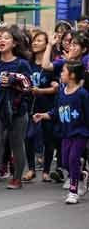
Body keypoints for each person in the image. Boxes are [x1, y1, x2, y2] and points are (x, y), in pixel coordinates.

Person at [0, 26, 32, 191]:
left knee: (16, 144)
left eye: (6, 38)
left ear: (15, 43)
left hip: (17, 110)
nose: (1, 41)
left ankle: (17, 178)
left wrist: (14, 81)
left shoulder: (22, 64)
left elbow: (29, 87)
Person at [33, 61, 89, 204]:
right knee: (65, 162)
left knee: (73, 159)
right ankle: (81, 175)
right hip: (66, 133)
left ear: (72, 75)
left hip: (80, 133)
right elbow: (56, 112)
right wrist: (43, 115)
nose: (61, 74)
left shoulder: (82, 94)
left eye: (63, 71)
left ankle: (73, 192)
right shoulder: (61, 93)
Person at [22, 31, 59, 183]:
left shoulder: (51, 65)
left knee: (48, 139)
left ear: (46, 44)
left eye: (39, 40)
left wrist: (41, 91)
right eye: (34, 40)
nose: (35, 43)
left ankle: (46, 171)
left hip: (47, 107)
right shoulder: (27, 63)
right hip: (30, 106)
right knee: (28, 137)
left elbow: (56, 88)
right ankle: (31, 169)